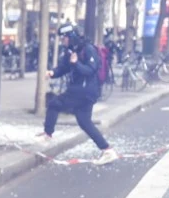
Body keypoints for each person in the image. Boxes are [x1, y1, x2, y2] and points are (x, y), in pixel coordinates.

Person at [41, 24, 115, 165]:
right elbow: (64, 67)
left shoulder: (88, 49)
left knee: (54, 104)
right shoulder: (71, 50)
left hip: (84, 91)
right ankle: (107, 150)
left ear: (72, 37)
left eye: (64, 38)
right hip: (82, 91)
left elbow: (90, 70)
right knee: (84, 122)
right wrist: (53, 73)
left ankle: (47, 134)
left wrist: (76, 64)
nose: (63, 41)